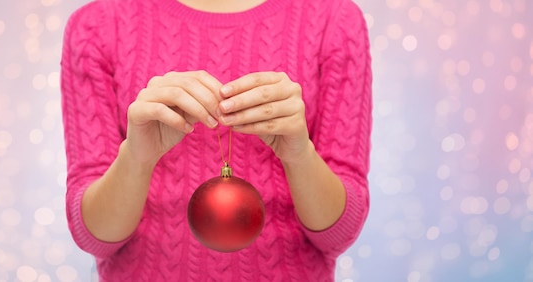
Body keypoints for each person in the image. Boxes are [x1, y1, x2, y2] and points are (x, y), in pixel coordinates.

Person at [60, 0, 372, 280]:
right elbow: (94, 237)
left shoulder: (334, 19)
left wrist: (300, 155)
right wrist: (136, 158)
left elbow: (339, 235)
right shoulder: (96, 26)